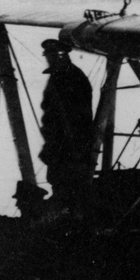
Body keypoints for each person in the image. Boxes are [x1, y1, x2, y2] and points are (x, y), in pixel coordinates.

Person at [38, 38, 95, 211]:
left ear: (61, 56)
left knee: (67, 178)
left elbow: (72, 115)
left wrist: (65, 140)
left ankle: (68, 214)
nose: (48, 60)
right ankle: (65, 210)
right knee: (60, 177)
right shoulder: (61, 75)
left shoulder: (70, 77)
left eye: (51, 56)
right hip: (62, 140)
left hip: (69, 142)